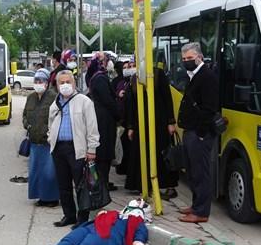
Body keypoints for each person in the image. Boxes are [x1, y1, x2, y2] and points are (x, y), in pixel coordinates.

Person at [33, 199, 150, 245]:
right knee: (69, 240)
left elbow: (139, 238)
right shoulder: (116, 213)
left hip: (106, 238)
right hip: (90, 228)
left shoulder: (139, 223)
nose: (139, 200)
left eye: (141, 203)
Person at [48, 70, 100, 228]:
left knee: (81, 185)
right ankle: (68, 215)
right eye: (61, 83)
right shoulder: (55, 103)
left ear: (74, 83)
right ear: (57, 86)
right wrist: (51, 139)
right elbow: (50, 125)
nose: (64, 85)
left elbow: (92, 128)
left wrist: (91, 150)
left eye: (67, 82)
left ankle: (82, 218)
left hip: (77, 149)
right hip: (59, 149)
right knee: (63, 185)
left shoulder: (84, 101)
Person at [177, 42, 219, 223]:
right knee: (193, 171)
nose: (187, 61)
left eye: (190, 58)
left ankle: (201, 212)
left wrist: (201, 133)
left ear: (199, 57)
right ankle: (195, 205)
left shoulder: (207, 76)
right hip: (191, 130)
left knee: (201, 172)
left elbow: (210, 108)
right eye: (184, 59)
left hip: (199, 133)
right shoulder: (193, 75)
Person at [124, 61, 179, 199]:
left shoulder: (158, 75)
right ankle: (144, 185)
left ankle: (168, 186)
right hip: (140, 123)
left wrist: (171, 122)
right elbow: (131, 104)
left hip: (159, 122)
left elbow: (167, 98)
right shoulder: (134, 79)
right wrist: (130, 126)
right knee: (142, 153)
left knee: (162, 153)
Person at [23, 68, 59, 207]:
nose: (38, 83)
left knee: (49, 172)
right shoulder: (30, 97)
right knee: (36, 171)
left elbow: (57, 116)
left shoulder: (53, 97)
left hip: (48, 142)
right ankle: (41, 197)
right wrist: (27, 125)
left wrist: (49, 131)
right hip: (34, 142)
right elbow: (25, 115)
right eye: (36, 80)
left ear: (47, 82)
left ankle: (52, 198)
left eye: (41, 80)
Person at [87, 54, 121, 192]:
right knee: (104, 154)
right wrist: (118, 114)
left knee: (103, 154)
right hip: (104, 120)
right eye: (107, 61)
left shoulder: (96, 76)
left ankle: (102, 183)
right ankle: (102, 184)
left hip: (101, 118)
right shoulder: (100, 78)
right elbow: (108, 100)